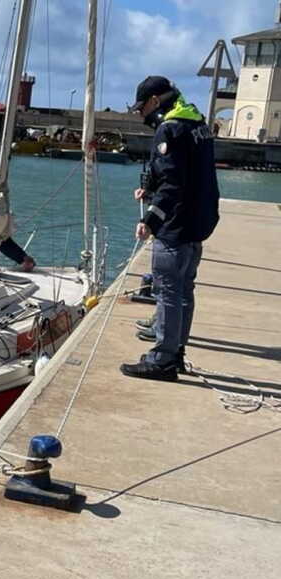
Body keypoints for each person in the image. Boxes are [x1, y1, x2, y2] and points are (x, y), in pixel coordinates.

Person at [120, 76, 219, 382]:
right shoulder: (197, 122)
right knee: (185, 289)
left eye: (142, 107)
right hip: (198, 221)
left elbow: (172, 182)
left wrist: (150, 220)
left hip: (176, 224)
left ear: (154, 101)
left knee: (167, 292)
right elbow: (184, 171)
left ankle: (162, 359)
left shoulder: (170, 128)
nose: (141, 114)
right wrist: (150, 188)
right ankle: (176, 353)